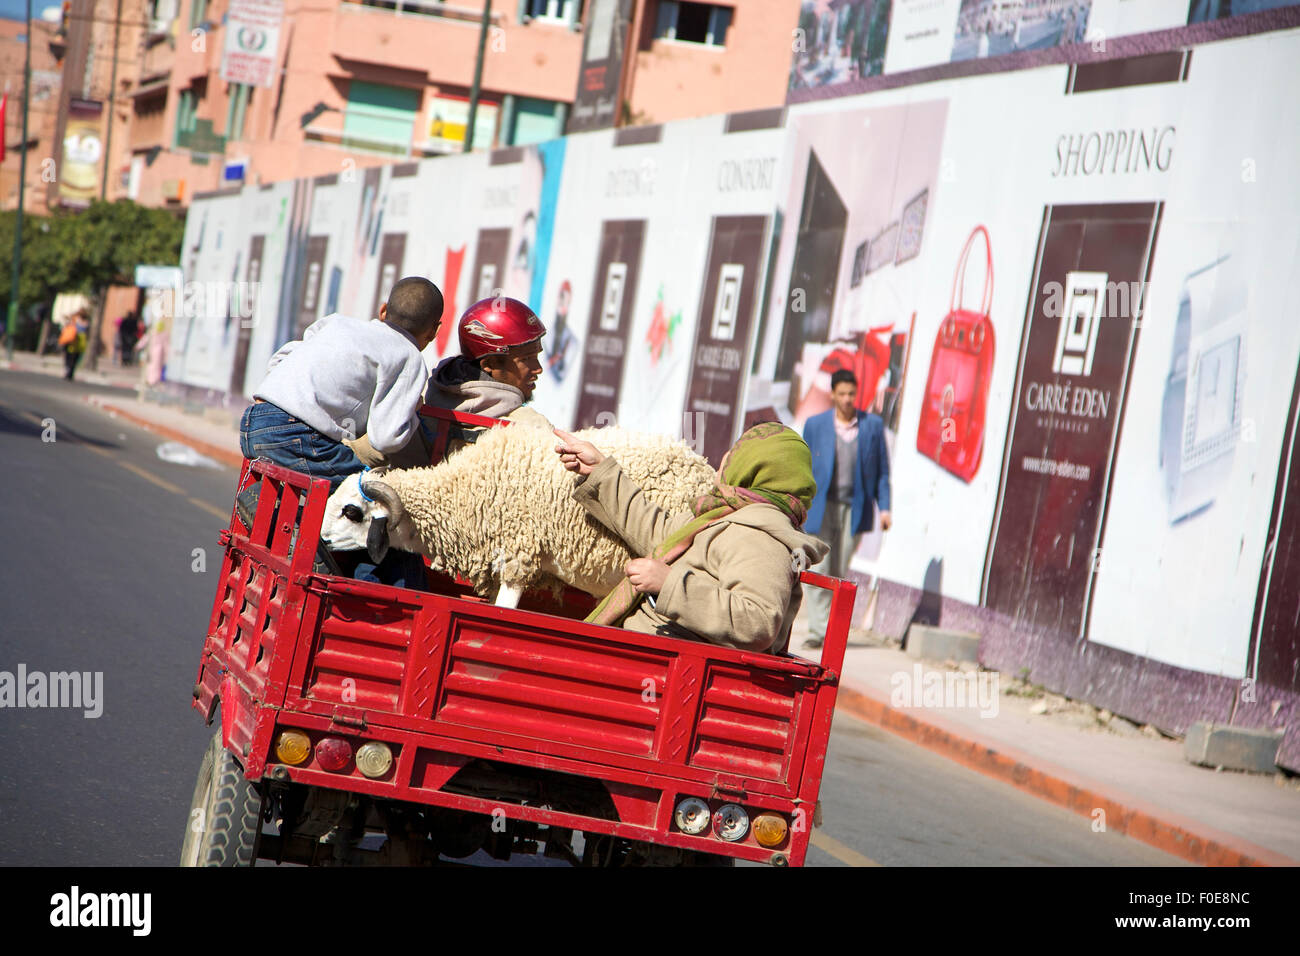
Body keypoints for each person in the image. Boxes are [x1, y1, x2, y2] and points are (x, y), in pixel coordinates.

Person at [239, 275, 443, 588]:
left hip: (257, 421)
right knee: (383, 502)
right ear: (433, 331)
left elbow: (280, 360)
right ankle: (372, 595)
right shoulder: (409, 356)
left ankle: (286, 524)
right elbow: (386, 437)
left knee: (354, 498)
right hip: (301, 439)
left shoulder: (335, 323)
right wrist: (413, 413)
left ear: (384, 309)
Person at [554, 421, 828, 654]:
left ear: (754, 467)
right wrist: (601, 471)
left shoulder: (760, 537)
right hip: (651, 645)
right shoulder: (726, 512)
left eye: (737, 453)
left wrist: (669, 584)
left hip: (664, 660)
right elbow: (661, 537)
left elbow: (757, 622)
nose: (725, 459)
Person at [801, 368, 892, 649]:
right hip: (821, 506)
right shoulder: (816, 425)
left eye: (851, 393)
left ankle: (832, 632)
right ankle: (817, 631)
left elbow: (882, 473)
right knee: (821, 566)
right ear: (832, 395)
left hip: (855, 508)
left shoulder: (873, 427)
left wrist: (885, 508)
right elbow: (803, 465)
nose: (847, 399)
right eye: (841, 393)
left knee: (839, 570)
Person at [59, 310, 90, 381]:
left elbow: (67, 327)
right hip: (79, 343)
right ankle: (70, 372)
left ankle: (68, 371)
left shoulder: (75, 321)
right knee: (74, 359)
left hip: (72, 341)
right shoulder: (86, 323)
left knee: (69, 358)